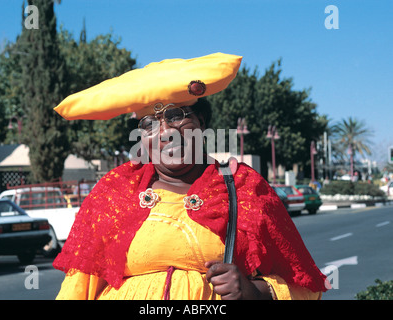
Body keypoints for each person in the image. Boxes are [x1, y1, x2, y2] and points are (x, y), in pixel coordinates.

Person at [53, 53, 328, 300]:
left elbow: (307, 287)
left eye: (176, 116)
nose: (165, 132)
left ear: (201, 122)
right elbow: (77, 289)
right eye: (149, 124)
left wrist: (255, 291)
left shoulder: (244, 188)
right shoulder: (115, 192)